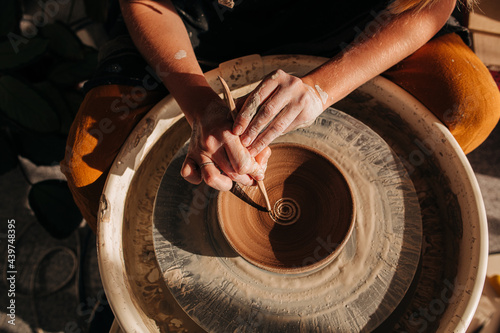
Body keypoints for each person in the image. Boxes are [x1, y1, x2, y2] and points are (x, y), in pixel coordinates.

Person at [61, 0, 500, 233]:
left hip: (353, 23)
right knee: (90, 167)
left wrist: (323, 88)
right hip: (200, 28)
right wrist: (200, 105)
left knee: (469, 105)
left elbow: (430, 3)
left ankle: (366, 207)